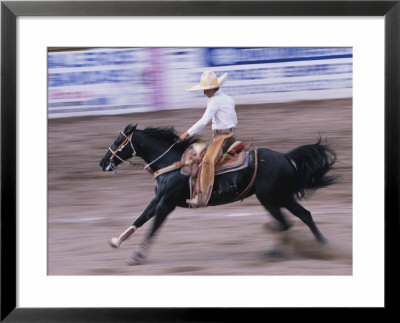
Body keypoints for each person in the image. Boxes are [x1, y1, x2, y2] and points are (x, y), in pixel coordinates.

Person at [179, 71, 237, 207]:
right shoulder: (228, 98)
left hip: (222, 138)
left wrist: (186, 133)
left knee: (206, 161)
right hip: (229, 135)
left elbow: (203, 121)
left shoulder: (214, 101)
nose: (204, 93)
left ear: (211, 89)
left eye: (205, 90)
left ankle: (202, 197)